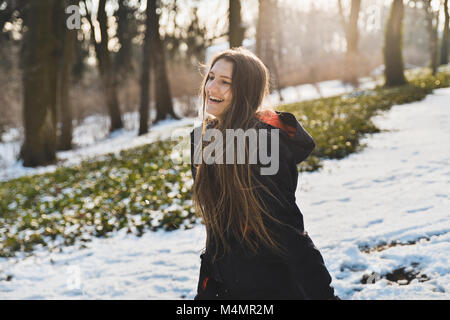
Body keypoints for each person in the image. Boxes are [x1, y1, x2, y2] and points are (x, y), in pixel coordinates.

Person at [190, 47, 339, 300]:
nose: (211, 88)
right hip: (226, 285)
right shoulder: (201, 141)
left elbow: (289, 233)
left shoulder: (264, 146)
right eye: (211, 77)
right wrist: (207, 289)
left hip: (274, 286)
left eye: (225, 82)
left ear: (246, 91)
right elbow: (217, 230)